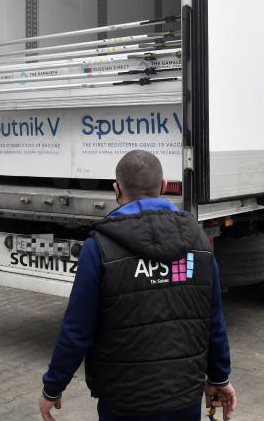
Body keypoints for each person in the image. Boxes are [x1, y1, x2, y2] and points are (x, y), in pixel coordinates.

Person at [39, 150, 236, 421]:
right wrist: (219, 376)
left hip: (124, 401)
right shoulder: (198, 243)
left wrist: (53, 387)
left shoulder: (99, 247)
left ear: (116, 189)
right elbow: (213, 320)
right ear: (164, 186)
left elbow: (77, 329)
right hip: (184, 397)